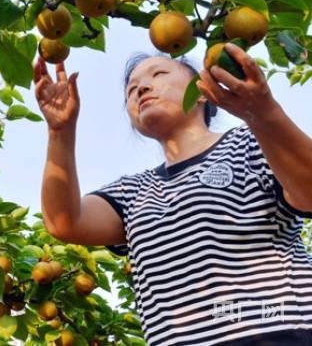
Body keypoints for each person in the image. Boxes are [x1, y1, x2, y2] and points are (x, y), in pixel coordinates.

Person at [35, 43, 312, 346]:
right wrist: (60, 132)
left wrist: (262, 112)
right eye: (131, 89)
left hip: (281, 334)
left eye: (159, 74)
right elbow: (64, 222)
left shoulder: (250, 144)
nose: (141, 89)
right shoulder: (132, 192)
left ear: (203, 92)